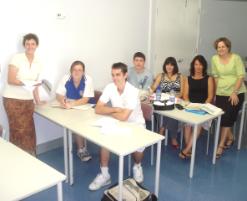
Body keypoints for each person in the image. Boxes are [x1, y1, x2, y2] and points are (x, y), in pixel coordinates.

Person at [89, 62, 145, 191]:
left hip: (136, 124)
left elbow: (125, 117)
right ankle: (104, 174)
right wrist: (115, 109)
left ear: (125, 75)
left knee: (138, 149)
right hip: (117, 122)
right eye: (113, 75)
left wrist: (109, 111)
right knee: (104, 140)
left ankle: (137, 166)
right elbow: (97, 109)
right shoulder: (110, 87)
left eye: (118, 75)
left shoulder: (132, 91)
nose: (115, 78)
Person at [3, 33, 43, 155]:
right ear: (24, 45)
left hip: (28, 101)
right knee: (18, 130)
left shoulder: (38, 62)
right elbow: (10, 79)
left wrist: (38, 100)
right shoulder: (17, 58)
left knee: (29, 130)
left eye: (33, 44)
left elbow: (35, 84)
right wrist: (27, 83)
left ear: (37, 45)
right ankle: (18, 157)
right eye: (27, 44)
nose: (30, 46)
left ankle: (30, 156)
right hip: (13, 100)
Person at [211, 37, 246, 158]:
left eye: (223, 46)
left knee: (226, 117)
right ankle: (230, 137)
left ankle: (220, 146)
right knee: (222, 116)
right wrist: (215, 93)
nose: (220, 49)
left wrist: (235, 92)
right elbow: (215, 76)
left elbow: (241, 76)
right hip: (221, 92)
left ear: (228, 47)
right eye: (218, 47)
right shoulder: (214, 59)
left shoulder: (236, 58)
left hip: (236, 93)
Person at [56, 60, 94, 161]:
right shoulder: (65, 78)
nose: (77, 72)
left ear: (83, 72)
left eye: (79, 70)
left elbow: (85, 99)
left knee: (79, 124)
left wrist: (71, 104)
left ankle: (81, 148)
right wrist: (62, 101)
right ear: (71, 71)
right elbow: (59, 94)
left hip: (86, 106)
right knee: (75, 123)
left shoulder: (88, 80)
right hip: (71, 107)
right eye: (74, 70)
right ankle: (81, 149)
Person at [179, 55, 214, 159]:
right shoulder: (188, 78)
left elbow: (210, 96)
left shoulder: (209, 79)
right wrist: (191, 106)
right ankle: (189, 149)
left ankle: (186, 150)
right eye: (196, 64)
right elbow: (185, 95)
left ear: (204, 66)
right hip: (190, 106)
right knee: (187, 125)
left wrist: (202, 107)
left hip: (204, 108)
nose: (198, 67)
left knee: (198, 124)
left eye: (200, 64)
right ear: (193, 66)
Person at [151, 57, 184, 149]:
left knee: (172, 112)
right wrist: (149, 92)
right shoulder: (160, 75)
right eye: (167, 64)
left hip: (175, 100)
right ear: (165, 65)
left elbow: (181, 92)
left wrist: (173, 97)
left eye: (171, 65)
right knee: (165, 110)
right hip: (162, 102)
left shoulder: (180, 76)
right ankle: (173, 137)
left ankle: (162, 129)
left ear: (174, 66)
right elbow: (153, 88)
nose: (169, 67)